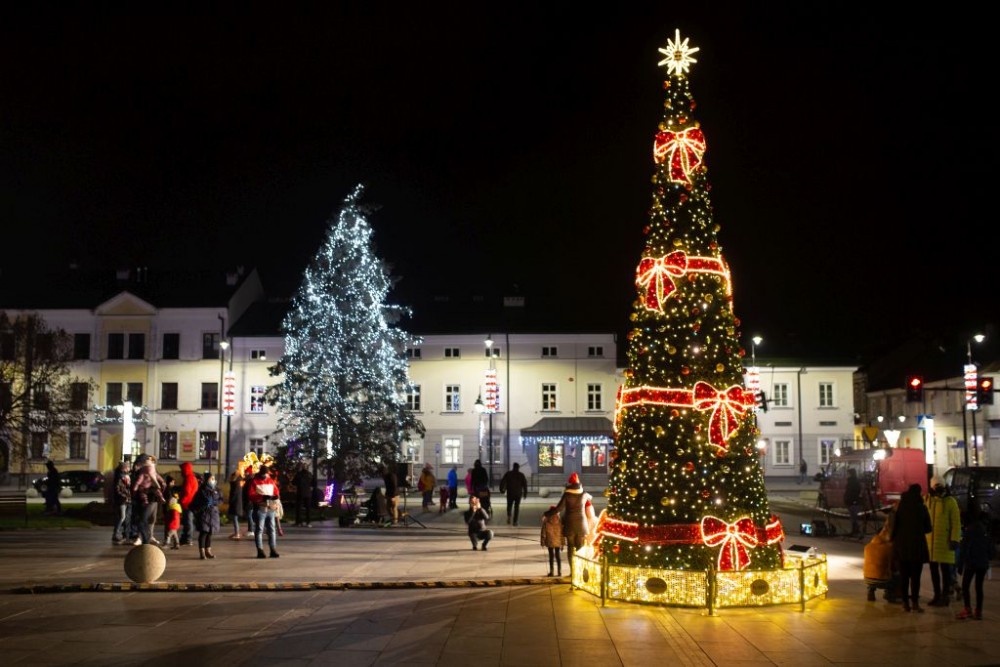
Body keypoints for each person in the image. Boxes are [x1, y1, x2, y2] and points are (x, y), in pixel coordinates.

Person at [891, 483, 932, 612]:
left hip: (901, 547)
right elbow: (928, 528)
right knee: (915, 578)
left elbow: (894, 526)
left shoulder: (900, 507)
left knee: (904, 577)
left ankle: (905, 603)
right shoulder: (922, 508)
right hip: (917, 547)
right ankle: (915, 603)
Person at [925, 476, 961, 607]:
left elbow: (956, 523)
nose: (937, 488)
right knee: (934, 571)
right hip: (931, 543)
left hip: (946, 543)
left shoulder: (950, 502)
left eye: (939, 485)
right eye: (935, 485)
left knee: (946, 572)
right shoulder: (927, 500)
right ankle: (937, 595)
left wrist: (954, 539)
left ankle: (945, 596)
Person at [552, 473, 593, 579]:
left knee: (570, 548)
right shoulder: (584, 494)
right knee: (580, 548)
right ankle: (581, 572)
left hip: (570, 524)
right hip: (581, 525)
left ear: (570, 483)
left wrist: (547, 514)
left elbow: (558, 509)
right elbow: (590, 498)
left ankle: (573, 572)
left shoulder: (567, 494)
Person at [956, 510, 993, 620]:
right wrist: (987, 559)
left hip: (971, 562)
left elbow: (964, 548)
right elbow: (991, 550)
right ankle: (978, 611)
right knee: (979, 587)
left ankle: (967, 609)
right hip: (982, 563)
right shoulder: (985, 530)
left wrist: (960, 565)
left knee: (965, 586)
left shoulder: (970, 530)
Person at [130, 456, 166, 546]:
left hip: (151, 500)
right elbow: (136, 484)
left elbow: (158, 483)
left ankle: (147, 538)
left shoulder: (149, 470)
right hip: (145, 500)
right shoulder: (141, 472)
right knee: (143, 520)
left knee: (147, 520)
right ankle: (143, 538)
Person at [248, 465, 280, 558]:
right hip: (260, 508)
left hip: (270, 508)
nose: (265, 475)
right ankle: (260, 550)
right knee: (259, 529)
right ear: (261, 473)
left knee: (272, 529)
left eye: (266, 474)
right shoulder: (254, 481)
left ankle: (273, 549)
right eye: (264, 473)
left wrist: (275, 496)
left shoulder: (270, 480)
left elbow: (276, 491)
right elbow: (251, 495)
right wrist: (262, 497)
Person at [191, 471, 223, 559]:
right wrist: (203, 505)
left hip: (213, 514)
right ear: (207, 480)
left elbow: (221, 499)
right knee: (204, 532)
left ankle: (208, 551)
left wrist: (215, 502)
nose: (213, 480)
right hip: (204, 514)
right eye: (211, 478)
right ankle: (202, 552)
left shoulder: (216, 489)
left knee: (210, 533)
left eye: (214, 478)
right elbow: (196, 502)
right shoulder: (202, 490)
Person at [178, 461, 199, 546]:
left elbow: (187, 492)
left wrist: (181, 501)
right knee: (188, 521)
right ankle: (186, 538)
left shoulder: (189, 478)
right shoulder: (191, 477)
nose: (181, 472)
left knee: (188, 521)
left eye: (182, 470)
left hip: (188, 503)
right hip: (190, 502)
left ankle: (188, 539)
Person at [111, 460, 132, 545]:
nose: (129, 468)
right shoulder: (120, 477)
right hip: (122, 500)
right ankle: (116, 534)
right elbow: (117, 489)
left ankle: (119, 534)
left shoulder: (125, 476)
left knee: (123, 517)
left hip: (125, 499)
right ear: (124, 468)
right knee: (122, 517)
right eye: (128, 467)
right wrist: (125, 496)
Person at [541, 504, 564, 577]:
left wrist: (542, 542)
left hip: (549, 541)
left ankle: (552, 572)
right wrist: (563, 543)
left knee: (551, 557)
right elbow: (562, 533)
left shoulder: (546, 521)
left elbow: (543, 533)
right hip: (558, 541)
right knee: (558, 556)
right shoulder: (559, 521)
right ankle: (559, 572)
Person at [292, 462, 314, 527]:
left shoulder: (298, 474)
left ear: (302, 467)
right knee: (308, 508)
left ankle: (298, 522)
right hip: (308, 493)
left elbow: (293, 482)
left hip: (300, 492)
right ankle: (308, 522)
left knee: (299, 508)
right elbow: (313, 483)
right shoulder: (310, 474)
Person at [227, 467, 245, 540]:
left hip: (235, 503)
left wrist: (230, 501)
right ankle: (236, 532)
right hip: (237, 502)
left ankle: (237, 533)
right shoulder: (238, 482)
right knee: (235, 518)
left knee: (235, 518)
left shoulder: (235, 483)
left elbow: (234, 494)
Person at [844, 468, 863, 537]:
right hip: (852, 502)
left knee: (854, 518)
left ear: (850, 474)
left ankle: (857, 532)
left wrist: (849, 500)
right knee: (853, 518)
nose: (846, 475)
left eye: (847, 473)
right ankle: (855, 531)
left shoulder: (853, 482)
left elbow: (851, 492)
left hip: (853, 502)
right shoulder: (853, 481)